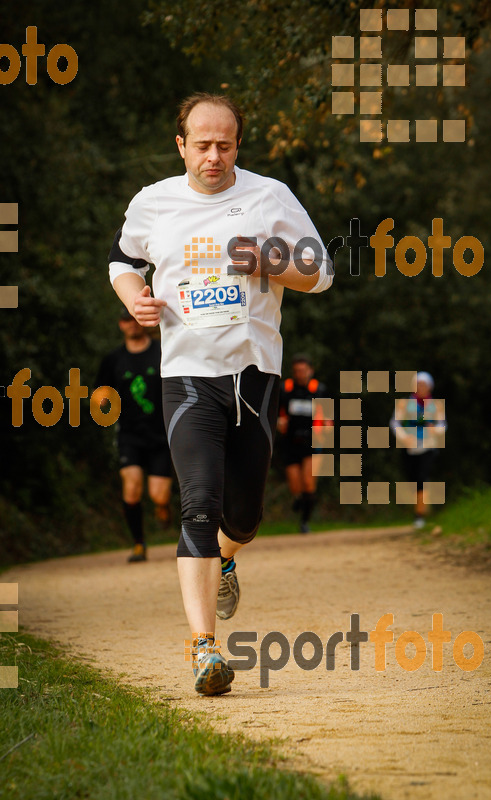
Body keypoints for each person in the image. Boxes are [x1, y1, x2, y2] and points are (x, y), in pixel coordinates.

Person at [107, 93, 333, 695]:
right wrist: (134, 297)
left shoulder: (269, 197)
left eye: (224, 145)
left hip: (255, 376)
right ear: (180, 144)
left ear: (238, 144)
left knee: (245, 516)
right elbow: (121, 260)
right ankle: (205, 650)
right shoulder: (153, 203)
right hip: (186, 376)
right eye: (201, 145)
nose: (213, 156)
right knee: (197, 507)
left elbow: (321, 271)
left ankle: (229, 557)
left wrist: (271, 261)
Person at [94, 307, 173, 562]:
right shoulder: (113, 360)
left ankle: (163, 507)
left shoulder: (162, 350)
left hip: (161, 433)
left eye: (135, 318)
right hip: (130, 434)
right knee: (131, 487)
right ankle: (139, 544)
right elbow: (101, 392)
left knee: (158, 495)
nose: (132, 324)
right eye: (127, 319)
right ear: (121, 324)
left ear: (143, 322)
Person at [277, 354, 330, 532]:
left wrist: (327, 430)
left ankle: (305, 522)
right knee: (296, 486)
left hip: (312, 441)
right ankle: (299, 500)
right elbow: (276, 414)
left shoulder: (319, 390)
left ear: (310, 371)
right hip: (290, 442)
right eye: (297, 371)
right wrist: (279, 422)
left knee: (308, 483)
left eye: (303, 370)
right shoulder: (285, 389)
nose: (300, 374)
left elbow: (329, 417)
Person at [390, 371, 446, 528]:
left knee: (422, 478)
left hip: (428, 446)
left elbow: (442, 424)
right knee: (413, 480)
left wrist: (436, 430)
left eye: (424, 384)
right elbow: (394, 423)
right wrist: (403, 437)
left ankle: (419, 515)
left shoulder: (436, 405)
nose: (421, 387)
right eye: (418, 384)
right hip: (409, 447)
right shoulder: (403, 403)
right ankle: (422, 507)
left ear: (430, 387)